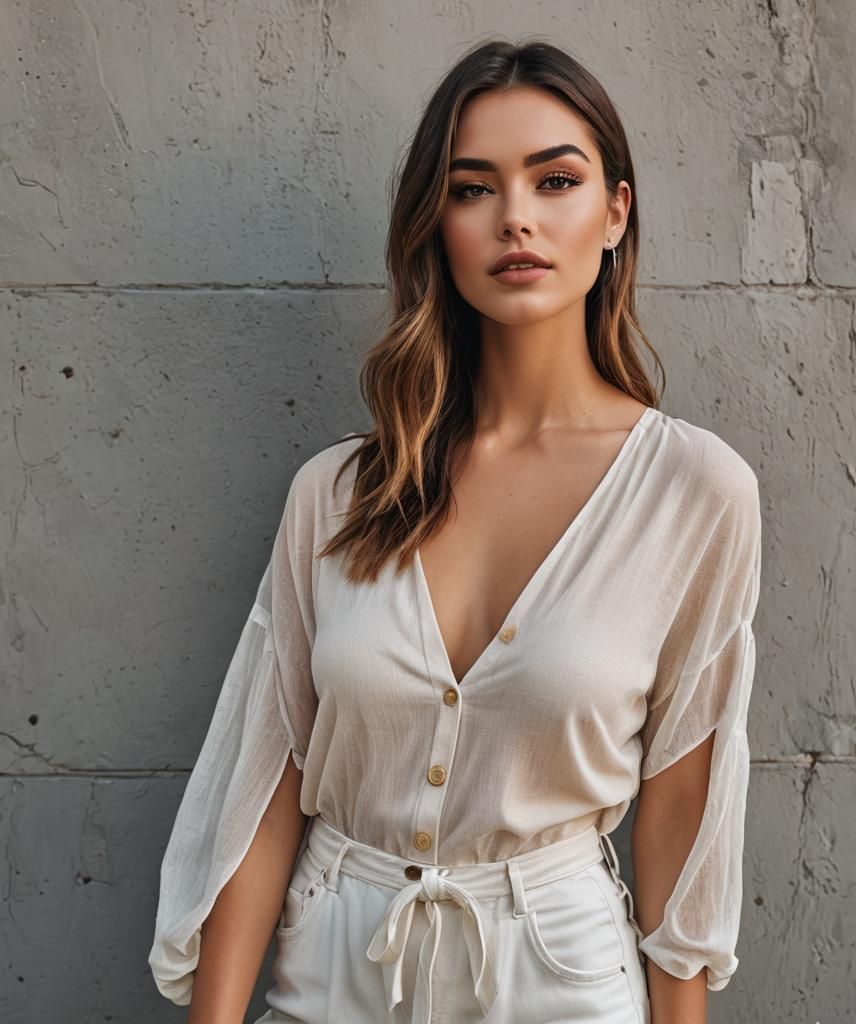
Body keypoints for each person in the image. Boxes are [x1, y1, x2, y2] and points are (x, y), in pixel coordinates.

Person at [148, 37, 763, 1024]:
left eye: (554, 180)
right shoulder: (337, 493)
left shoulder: (694, 491)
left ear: (615, 211)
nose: (515, 216)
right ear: (436, 225)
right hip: (332, 975)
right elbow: (265, 786)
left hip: (560, 982)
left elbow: (681, 812)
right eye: (473, 189)